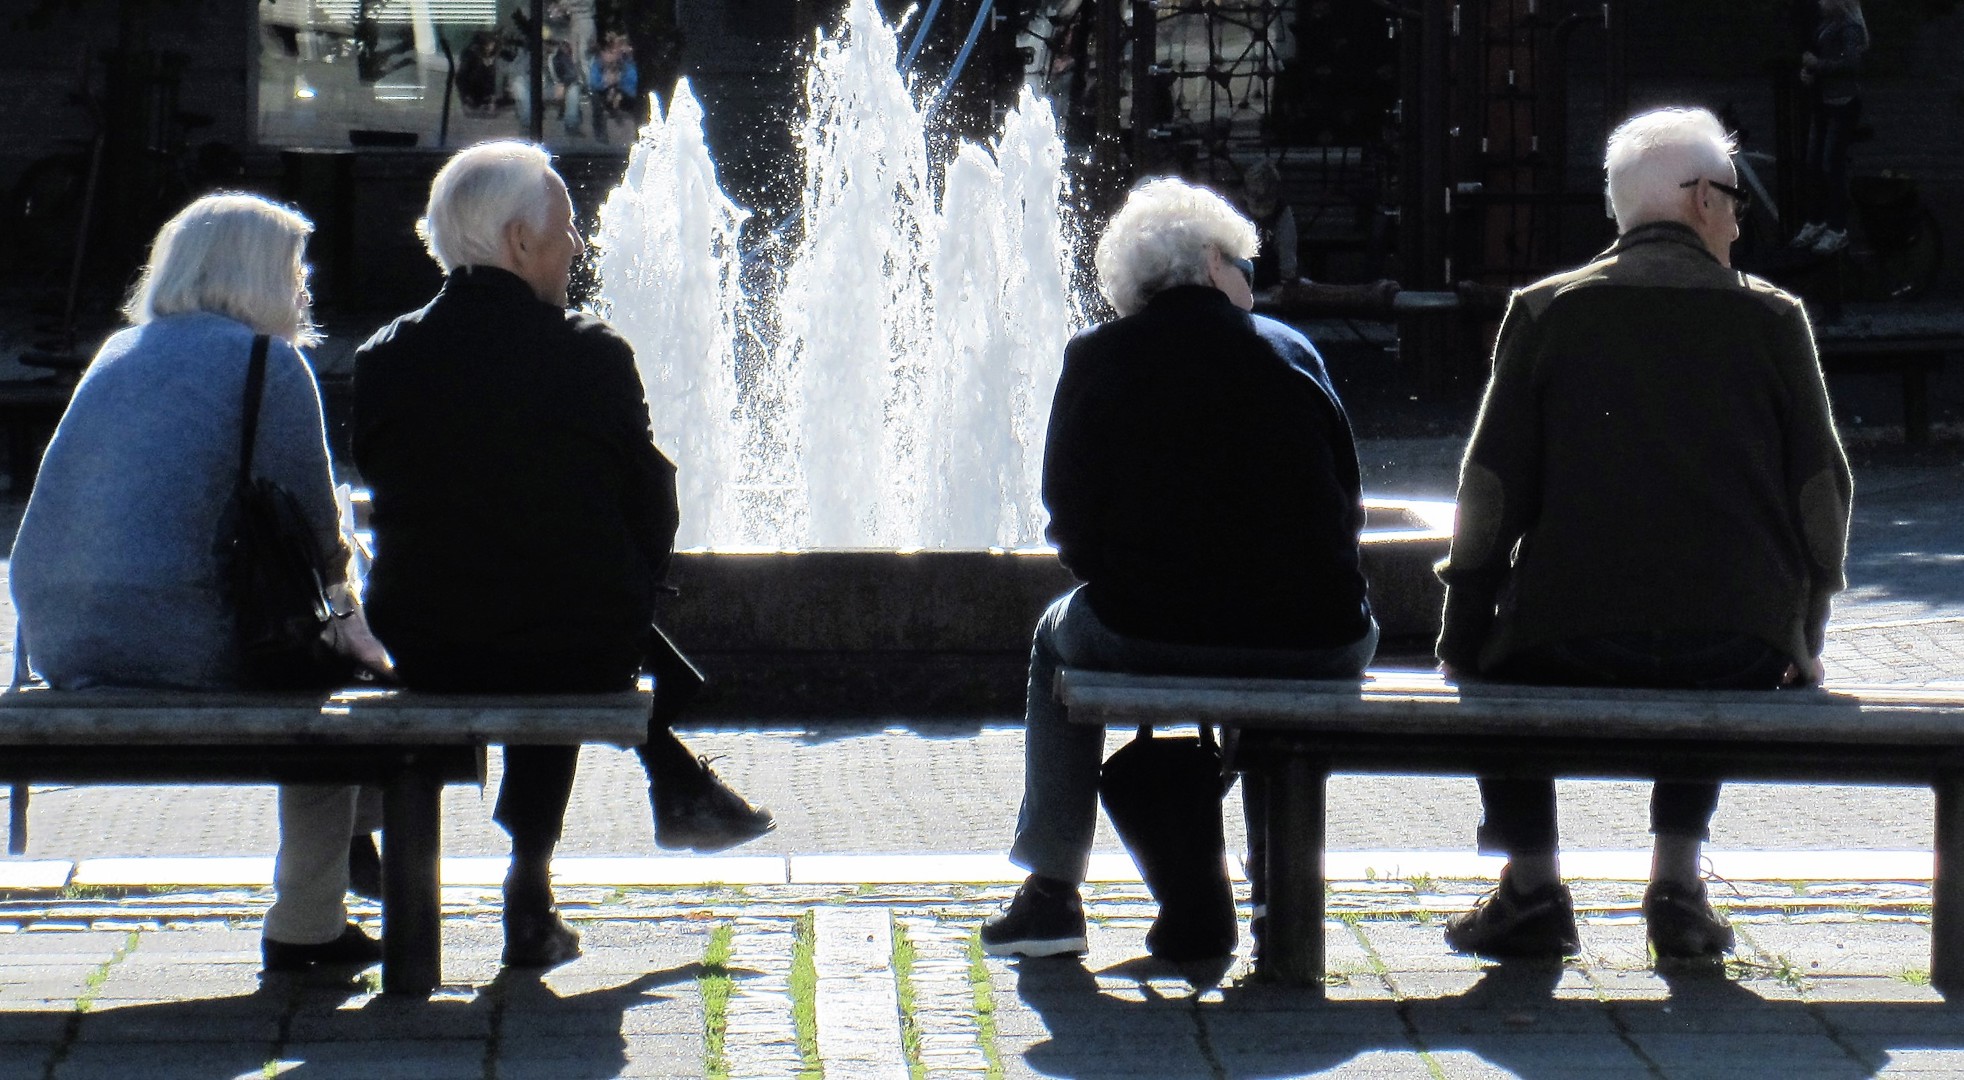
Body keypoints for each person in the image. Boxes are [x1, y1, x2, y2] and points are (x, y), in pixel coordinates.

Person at [1435, 107, 1852, 961]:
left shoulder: (1547, 310)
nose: (1740, 217)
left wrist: (1463, 626)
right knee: (1711, 612)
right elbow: (1825, 489)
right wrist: (1805, 628)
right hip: (1736, 646)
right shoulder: (1773, 318)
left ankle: (1531, 889)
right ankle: (1678, 887)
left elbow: (1488, 489)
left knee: (1496, 664)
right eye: (1735, 198)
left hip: (1571, 638)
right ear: (1700, 199)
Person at [351, 141, 774, 970]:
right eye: (567, 228)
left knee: (550, 585)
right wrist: (625, 582)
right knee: (569, 602)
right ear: (517, 242)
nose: (578, 246)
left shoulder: (384, 358)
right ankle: (533, 881)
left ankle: (660, 794)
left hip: (424, 642)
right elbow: (652, 510)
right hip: (572, 641)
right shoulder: (591, 354)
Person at [980, 177, 1378, 962]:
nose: (1251, 287)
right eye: (1244, 268)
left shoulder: (1096, 358)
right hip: (1317, 633)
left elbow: (1067, 517)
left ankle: (1052, 892)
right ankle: (1271, 896)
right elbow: (1348, 508)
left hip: (1146, 625)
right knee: (1267, 650)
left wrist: (1137, 581)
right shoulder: (1292, 350)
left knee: (1052, 641)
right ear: (1208, 262)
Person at [8, 193, 393, 973]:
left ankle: (357, 835)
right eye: (293, 269)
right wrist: (356, 612)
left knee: (337, 675)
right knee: (338, 700)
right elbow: (322, 535)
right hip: (181, 638)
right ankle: (309, 921)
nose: (303, 288)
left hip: (62, 634)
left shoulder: (118, 352)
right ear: (254, 274)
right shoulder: (268, 363)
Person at [1791, 0, 1869, 255]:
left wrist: (1817, 66)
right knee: (1814, 163)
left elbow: (1852, 65)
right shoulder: (1828, 25)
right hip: (1826, 101)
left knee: (1829, 165)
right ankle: (1817, 220)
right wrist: (1810, 73)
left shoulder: (1849, 28)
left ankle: (1837, 228)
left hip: (1843, 103)